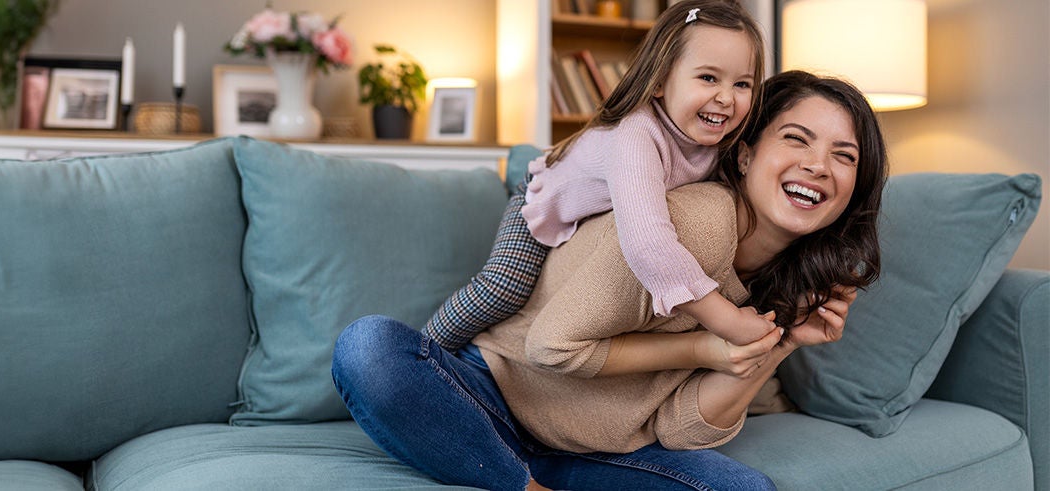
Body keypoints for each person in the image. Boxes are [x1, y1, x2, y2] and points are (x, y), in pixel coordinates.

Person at [332, 70, 889, 490]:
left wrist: (782, 343)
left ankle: (501, 469)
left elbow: (681, 431)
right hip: (493, 397)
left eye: (844, 156)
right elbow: (552, 346)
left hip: (595, 449)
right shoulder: (698, 221)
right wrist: (704, 345)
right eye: (797, 139)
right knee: (369, 347)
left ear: (853, 190)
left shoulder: (787, 278)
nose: (820, 165)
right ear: (744, 154)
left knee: (744, 489)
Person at [425, 0, 774, 352]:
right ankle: (422, 349)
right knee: (503, 288)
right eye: (708, 78)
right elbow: (648, 241)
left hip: (598, 221)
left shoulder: (722, 143)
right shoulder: (636, 133)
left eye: (743, 84)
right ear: (659, 82)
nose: (726, 98)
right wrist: (726, 319)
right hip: (544, 198)